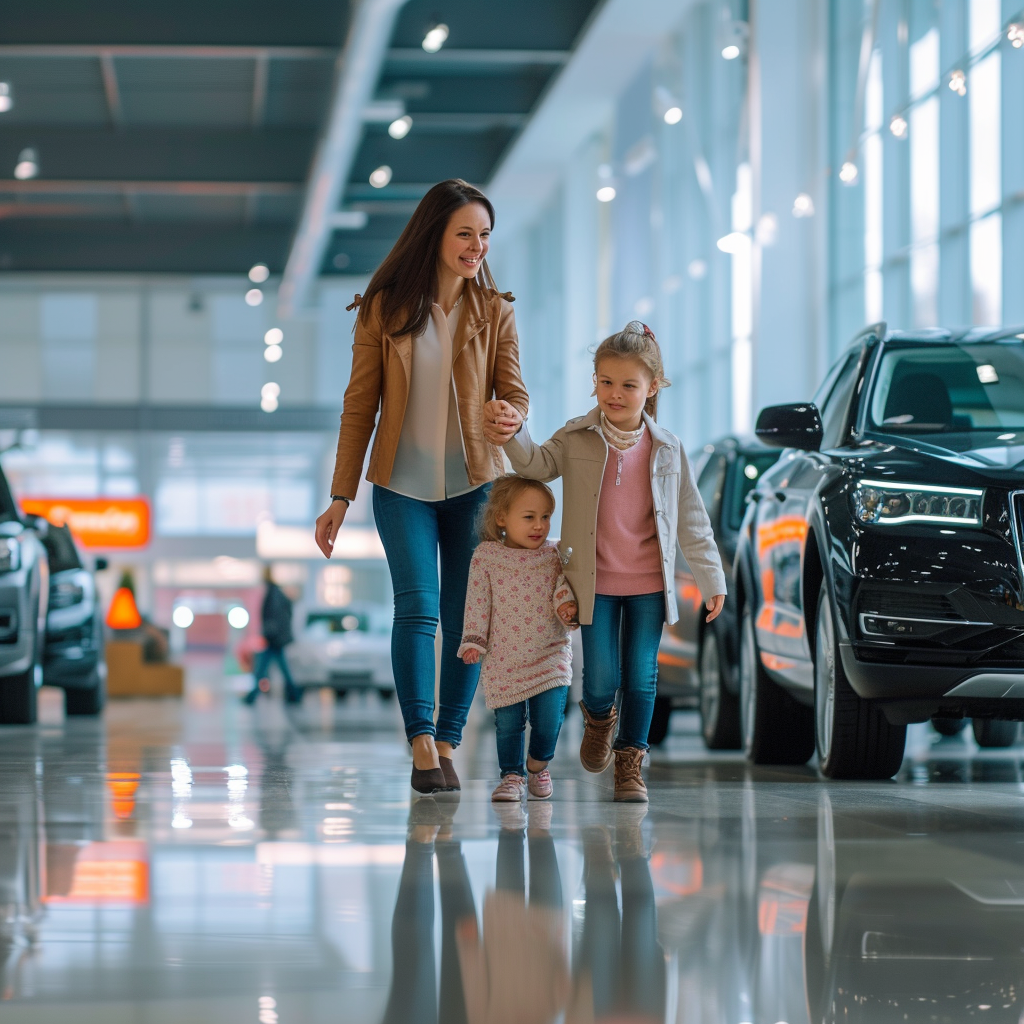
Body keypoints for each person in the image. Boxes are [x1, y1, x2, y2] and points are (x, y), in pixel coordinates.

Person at [314, 179, 529, 795]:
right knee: (418, 606)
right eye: (465, 233)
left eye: (485, 235)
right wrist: (340, 496)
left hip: (475, 486)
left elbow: (514, 393)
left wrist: (510, 415)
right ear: (434, 234)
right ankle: (421, 743)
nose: (477, 246)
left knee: (467, 620)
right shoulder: (384, 308)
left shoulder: (496, 311)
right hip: (401, 487)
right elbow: (360, 407)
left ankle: (451, 739)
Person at [486, 321, 726, 802]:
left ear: (652, 387)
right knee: (599, 679)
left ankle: (631, 761)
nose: (615, 394)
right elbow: (534, 464)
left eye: (629, 385)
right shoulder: (576, 438)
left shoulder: (668, 449)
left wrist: (712, 579)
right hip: (591, 584)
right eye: (606, 382)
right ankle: (599, 717)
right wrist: (515, 431)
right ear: (594, 381)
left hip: (648, 584)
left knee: (642, 675)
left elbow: (693, 521)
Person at [457, 476, 577, 803]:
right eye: (529, 517)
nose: (539, 525)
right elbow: (478, 601)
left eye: (546, 516)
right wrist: (473, 641)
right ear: (501, 518)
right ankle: (512, 776)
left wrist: (566, 605)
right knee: (509, 725)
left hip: (550, 655)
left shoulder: (555, 554)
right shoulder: (486, 556)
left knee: (549, 720)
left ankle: (538, 765)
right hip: (503, 659)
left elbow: (563, 586)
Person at [243, 565, 300, 705]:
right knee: (276, 668)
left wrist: (269, 632)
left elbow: (273, 616)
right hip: (276, 638)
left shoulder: (273, 593)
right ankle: (293, 693)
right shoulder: (276, 592)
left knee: (262, 668)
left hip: (273, 639)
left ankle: (252, 696)